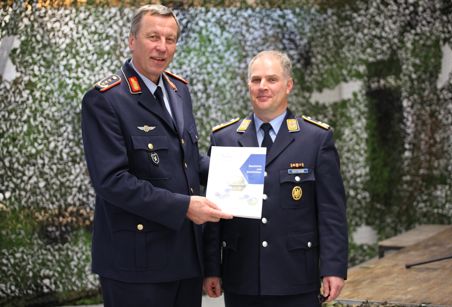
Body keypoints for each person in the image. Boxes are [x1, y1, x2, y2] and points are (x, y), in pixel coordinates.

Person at [81, 5, 232, 307]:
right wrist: (185, 207)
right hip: (136, 263)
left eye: (170, 39)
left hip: (184, 259)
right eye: (153, 37)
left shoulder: (179, 91)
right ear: (132, 40)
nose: (162, 47)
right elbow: (112, 181)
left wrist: (239, 173)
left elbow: (187, 160)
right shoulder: (105, 100)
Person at [203, 50, 348, 307]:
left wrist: (333, 267)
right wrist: (212, 268)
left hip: (296, 276)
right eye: (256, 80)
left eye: (272, 79)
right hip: (242, 278)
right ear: (248, 85)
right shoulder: (224, 139)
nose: (262, 87)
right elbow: (214, 214)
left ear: (288, 85)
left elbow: (331, 211)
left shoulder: (315, 139)